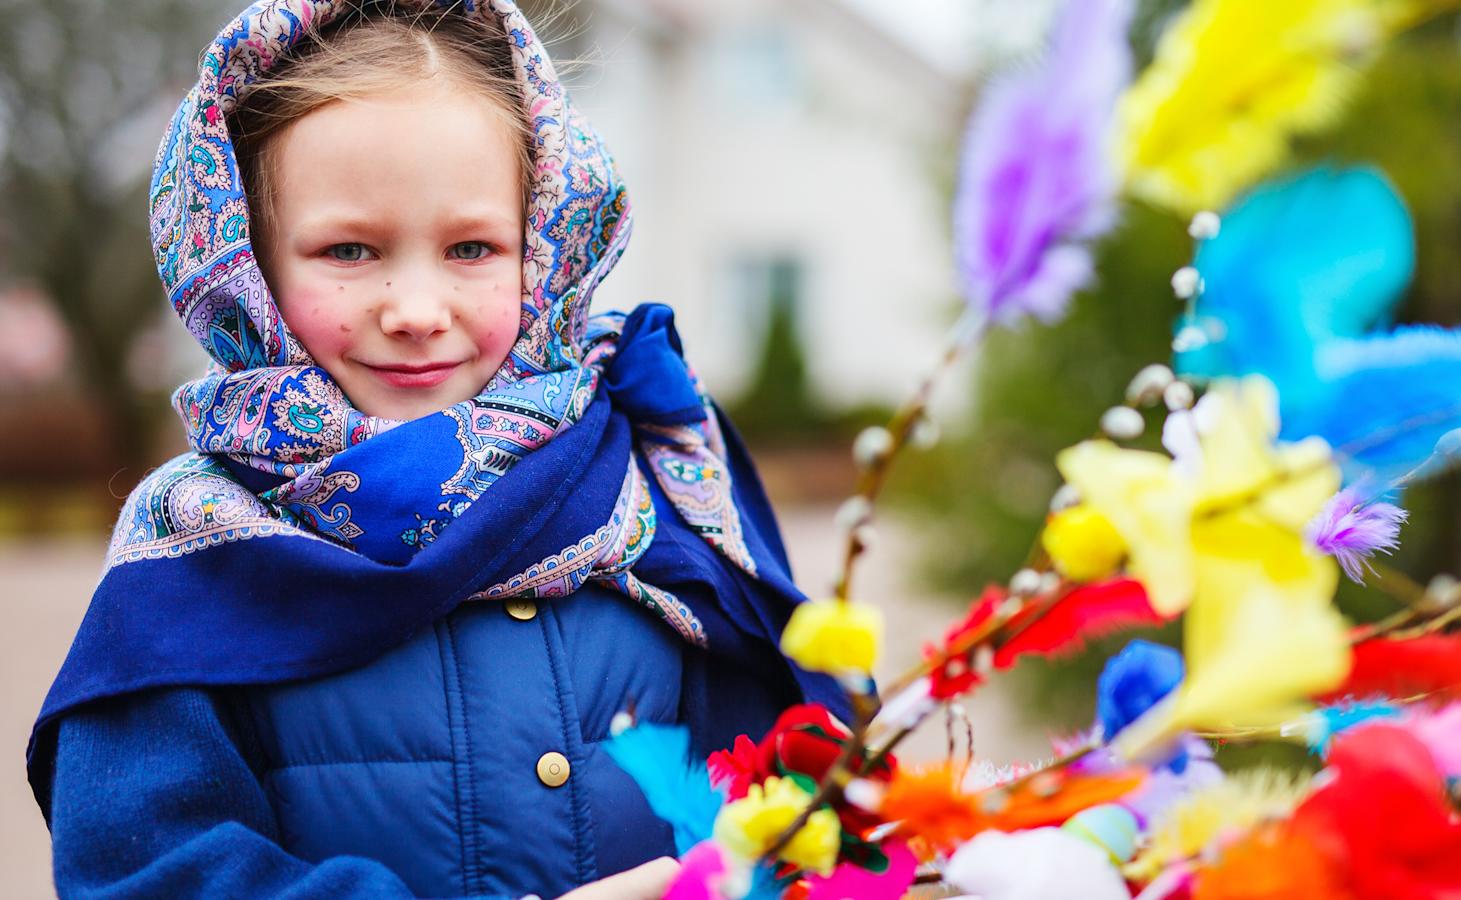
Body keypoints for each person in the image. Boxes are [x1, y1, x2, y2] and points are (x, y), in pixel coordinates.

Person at [26, 2, 846, 897]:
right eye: (348, 249)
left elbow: (787, 795)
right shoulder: (191, 550)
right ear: (247, 263)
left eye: (471, 248)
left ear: (544, 251)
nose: (416, 310)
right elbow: (148, 872)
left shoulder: (649, 488)